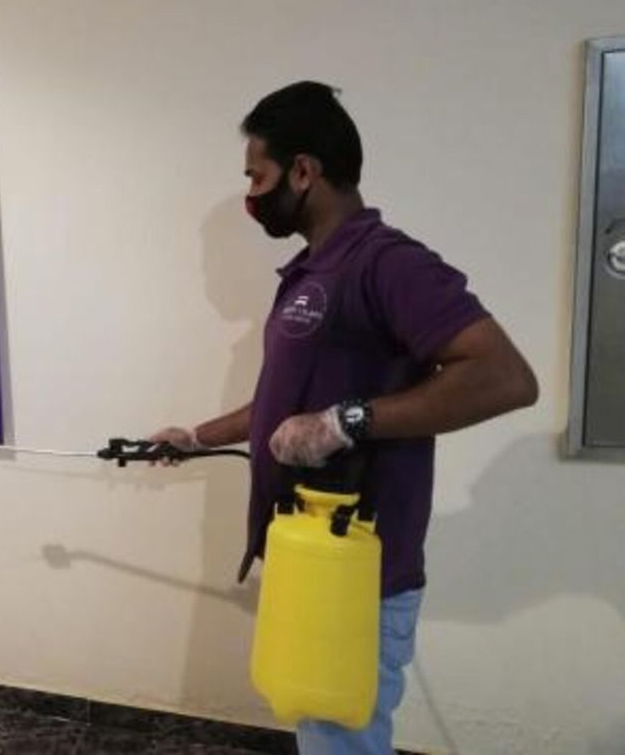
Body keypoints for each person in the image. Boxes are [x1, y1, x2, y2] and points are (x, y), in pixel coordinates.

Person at [151, 81, 538, 755]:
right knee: (323, 735)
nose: (251, 196)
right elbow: (284, 406)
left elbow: (505, 377)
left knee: (340, 741)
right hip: (309, 558)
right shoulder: (309, 272)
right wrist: (195, 437)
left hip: (359, 573)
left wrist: (347, 420)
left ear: (303, 171)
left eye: (257, 177)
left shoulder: (387, 263)